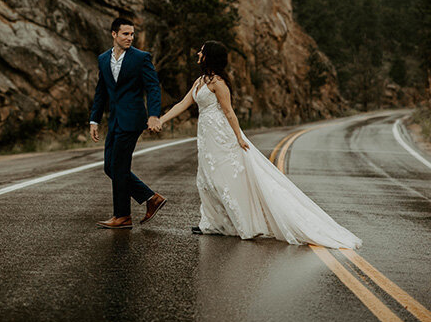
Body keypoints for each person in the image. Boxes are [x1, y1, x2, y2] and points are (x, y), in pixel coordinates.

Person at [156, 40, 361, 249]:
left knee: (224, 179)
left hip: (221, 135)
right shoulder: (200, 81)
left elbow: (228, 112)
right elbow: (183, 103)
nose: (198, 54)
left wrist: (239, 137)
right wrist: (162, 119)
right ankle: (213, 223)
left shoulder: (218, 83)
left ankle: (243, 223)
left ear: (209, 56)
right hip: (206, 136)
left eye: (202, 51)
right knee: (207, 178)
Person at [89, 17, 167, 229]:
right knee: (109, 167)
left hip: (132, 120)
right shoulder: (104, 59)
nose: (130, 38)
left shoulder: (141, 58)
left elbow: (152, 87)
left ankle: (122, 216)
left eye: (132, 34)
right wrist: (94, 119)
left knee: (120, 166)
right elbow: (101, 91)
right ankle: (151, 198)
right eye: (125, 34)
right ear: (114, 34)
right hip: (114, 120)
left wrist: (153, 115)